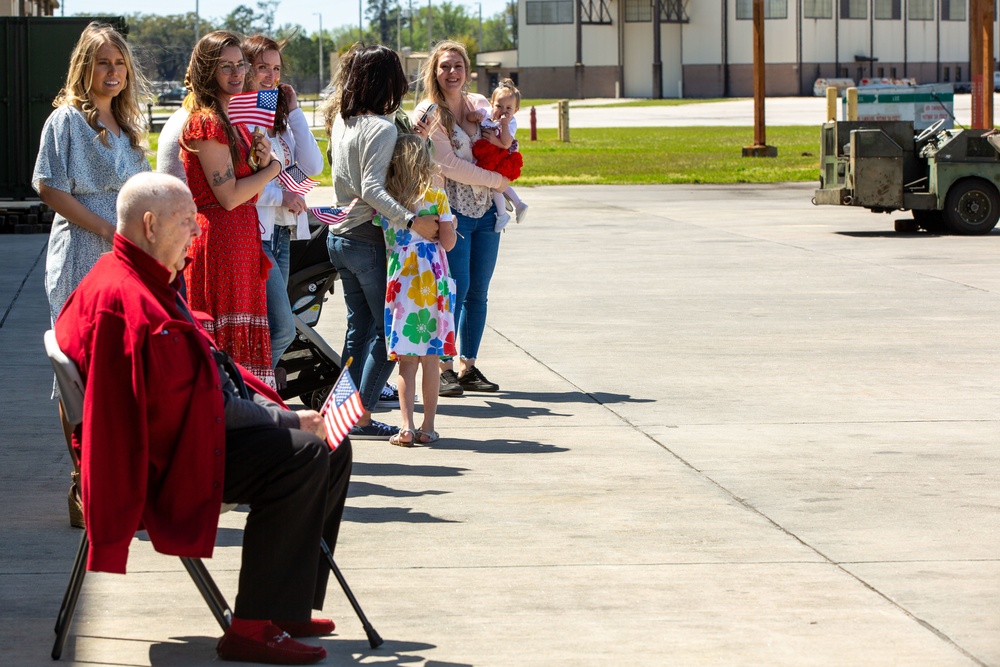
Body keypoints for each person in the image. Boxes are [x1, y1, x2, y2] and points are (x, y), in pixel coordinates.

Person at [54, 172, 352, 665]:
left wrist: (276, 412)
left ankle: (286, 605)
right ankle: (252, 626)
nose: (197, 231)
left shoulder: (138, 272)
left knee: (332, 446)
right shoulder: (130, 302)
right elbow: (197, 408)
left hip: (185, 429)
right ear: (150, 225)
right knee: (304, 455)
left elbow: (199, 384)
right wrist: (286, 422)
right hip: (165, 459)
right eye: (187, 220)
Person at [32, 21, 151, 529]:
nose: (113, 71)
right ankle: (84, 485)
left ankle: (116, 481)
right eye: (103, 62)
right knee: (76, 371)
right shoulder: (65, 121)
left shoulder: (126, 126)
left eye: (119, 63)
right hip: (81, 254)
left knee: (119, 372)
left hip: (124, 261)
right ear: (85, 66)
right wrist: (105, 227)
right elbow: (48, 186)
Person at [322, 43, 439, 440]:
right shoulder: (382, 127)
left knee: (358, 331)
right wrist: (412, 221)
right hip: (367, 241)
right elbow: (372, 187)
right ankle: (361, 416)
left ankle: (340, 411)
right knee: (391, 334)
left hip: (339, 237)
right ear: (387, 81)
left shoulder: (343, 122)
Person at [180, 31, 280, 386]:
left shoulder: (232, 119)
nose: (237, 73)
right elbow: (228, 196)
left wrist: (260, 163)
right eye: (226, 66)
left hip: (240, 239)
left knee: (242, 344)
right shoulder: (206, 121)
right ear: (208, 70)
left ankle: (240, 409)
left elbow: (243, 192)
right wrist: (272, 169)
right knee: (222, 348)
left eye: (240, 65)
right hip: (220, 240)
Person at [414, 40, 510, 396]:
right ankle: (444, 368)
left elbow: (502, 140)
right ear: (434, 71)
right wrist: (497, 179)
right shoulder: (428, 112)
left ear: (467, 70)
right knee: (454, 289)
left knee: (479, 291)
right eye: (445, 66)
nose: (452, 72)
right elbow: (447, 165)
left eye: (458, 66)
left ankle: (469, 366)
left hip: (487, 211)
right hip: (451, 213)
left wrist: (500, 171)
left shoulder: (479, 105)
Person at [242, 34, 325, 369]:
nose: (271, 76)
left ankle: (254, 392)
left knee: (270, 329)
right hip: (254, 235)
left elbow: (314, 166)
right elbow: (238, 186)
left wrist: (294, 111)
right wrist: (281, 196)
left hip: (282, 235)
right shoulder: (241, 118)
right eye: (262, 67)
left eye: (276, 69)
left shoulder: (276, 119)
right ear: (246, 69)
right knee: (282, 329)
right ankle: (246, 391)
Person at [377, 135, 458, 446]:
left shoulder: (388, 200)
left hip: (402, 281)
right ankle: (428, 427)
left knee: (407, 361)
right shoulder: (436, 196)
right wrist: (449, 226)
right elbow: (448, 242)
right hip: (431, 281)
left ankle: (406, 427)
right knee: (431, 360)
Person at [466, 78, 528, 231]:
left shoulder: (511, 122)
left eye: (509, 108)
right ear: (492, 104)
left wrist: (501, 128)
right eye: (499, 106)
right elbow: (468, 117)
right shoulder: (487, 113)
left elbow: (506, 143)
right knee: (497, 185)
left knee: (495, 185)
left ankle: (502, 215)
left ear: (516, 110)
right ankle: (518, 204)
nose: (503, 111)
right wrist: (475, 116)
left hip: (500, 156)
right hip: (488, 154)